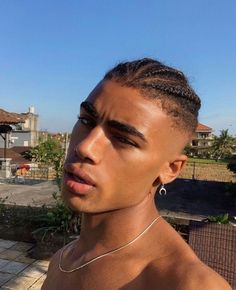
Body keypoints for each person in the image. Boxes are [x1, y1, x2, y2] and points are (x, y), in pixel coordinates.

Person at [42, 58, 232, 290]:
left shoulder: (186, 284)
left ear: (170, 169)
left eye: (123, 139)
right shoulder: (63, 259)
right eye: (86, 120)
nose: (85, 147)